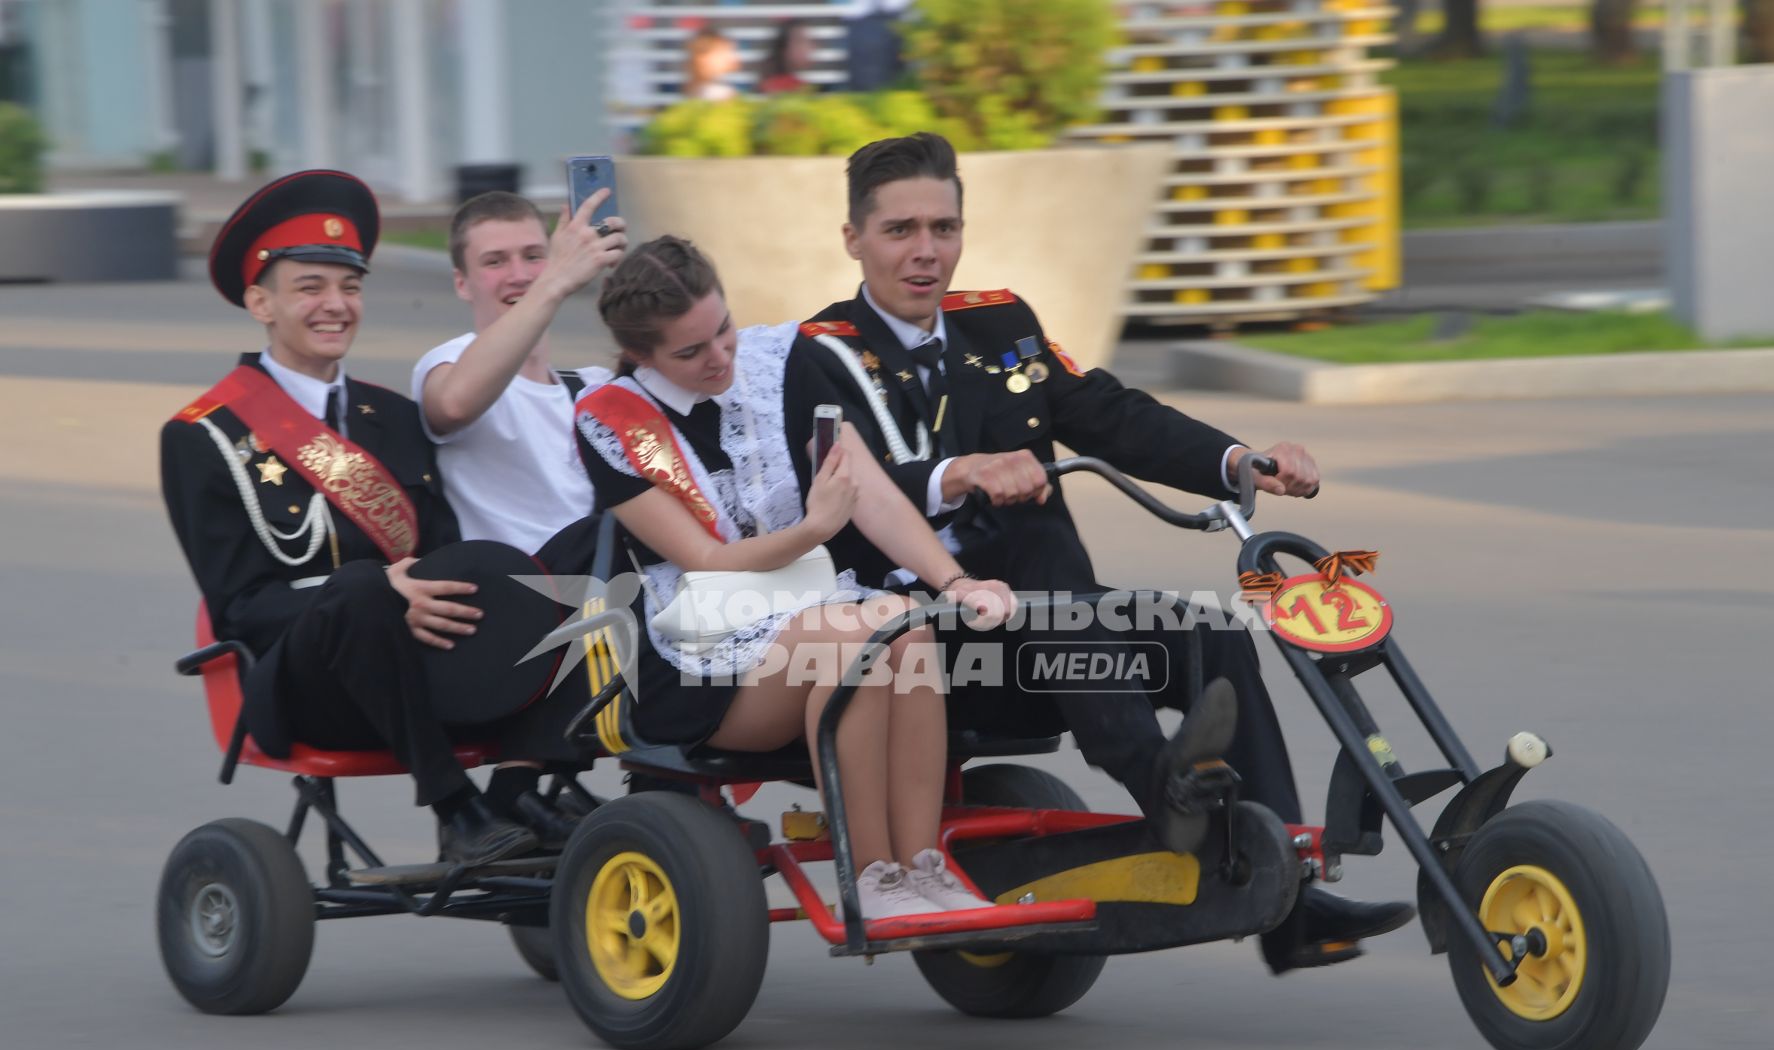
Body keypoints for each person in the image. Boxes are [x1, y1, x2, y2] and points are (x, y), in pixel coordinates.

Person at [799, 133, 1415, 971]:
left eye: (943, 228)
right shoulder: (821, 355)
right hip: (920, 650)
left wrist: (1238, 462)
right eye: (900, 230)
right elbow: (844, 500)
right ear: (854, 239)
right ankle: (1167, 796)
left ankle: (1285, 896)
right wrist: (958, 474)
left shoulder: (1000, 321)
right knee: (1039, 547)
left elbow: (1110, 415)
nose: (925, 251)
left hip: (1051, 640)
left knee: (1212, 638)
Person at [575, 235, 1077, 920]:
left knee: (910, 630)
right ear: (642, 355)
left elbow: (868, 492)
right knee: (855, 643)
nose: (719, 357)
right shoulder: (609, 421)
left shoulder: (781, 363)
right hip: (703, 645)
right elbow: (709, 563)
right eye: (690, 353)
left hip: (813, 605)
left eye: (721, 330)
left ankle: (925, 866)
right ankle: (871, 877)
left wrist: (954, 582)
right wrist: (813, 530)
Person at [159, 169, 537, 867]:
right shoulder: (203, 436)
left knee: (560, 561)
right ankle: (457, 808)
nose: (336, 305)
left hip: (423, 662)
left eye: (350, 286)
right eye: (310, 287)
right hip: (304, 685)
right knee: (362, 587)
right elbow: (240, 608)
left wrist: (431, 590)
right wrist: (381, 591)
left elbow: (444, 553)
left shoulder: (393, 416)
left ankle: (530, 782)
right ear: (259, 303)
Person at [412, 187, 628, 840]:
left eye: (534, 255)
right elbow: (449, 408)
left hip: (595, 607)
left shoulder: (591, 385)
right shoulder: (449, 363)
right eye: (496, 261)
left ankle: (674, 799)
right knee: (619, 537)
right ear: (461, 281)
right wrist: (556, 283)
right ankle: (512, 789)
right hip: (500, 618)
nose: (519, 274)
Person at [757, 19, 817, 94]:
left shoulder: (805, 87)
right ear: (784, 48)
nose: (810, 47)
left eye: (810, 41)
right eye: (800, 42)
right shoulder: (775, 87)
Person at [682, 26, 739, 102]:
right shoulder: (720, 95)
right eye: (721, 52)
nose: (730, 56)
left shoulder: (694, 90)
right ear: (702, 58)